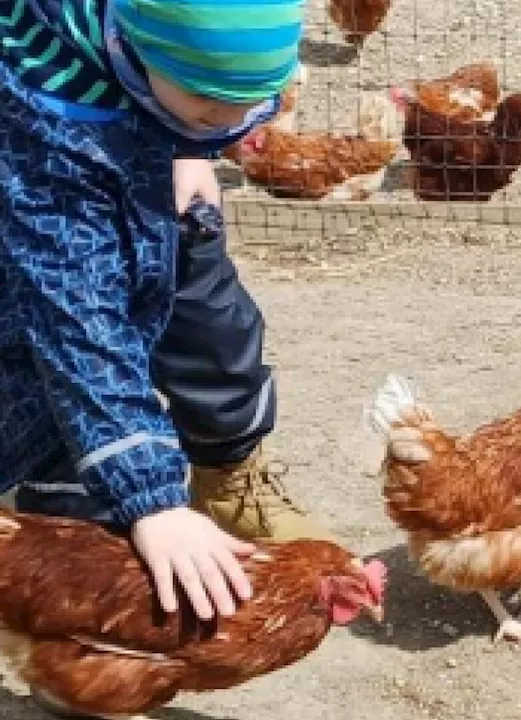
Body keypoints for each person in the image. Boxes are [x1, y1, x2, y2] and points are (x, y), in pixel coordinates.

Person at [0, 0, 331, 627]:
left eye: (249, 104)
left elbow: (197, 64)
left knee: (210, 311)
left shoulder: (147, 57)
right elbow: (80, 324)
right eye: (210, 106)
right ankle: (66, 570)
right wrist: (152, 497)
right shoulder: (50, 134)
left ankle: (230, 473)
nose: (231, 121)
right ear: (133, 52)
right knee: (53, 393)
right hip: (48, 255)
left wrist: (190, 146)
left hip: (136, 155)